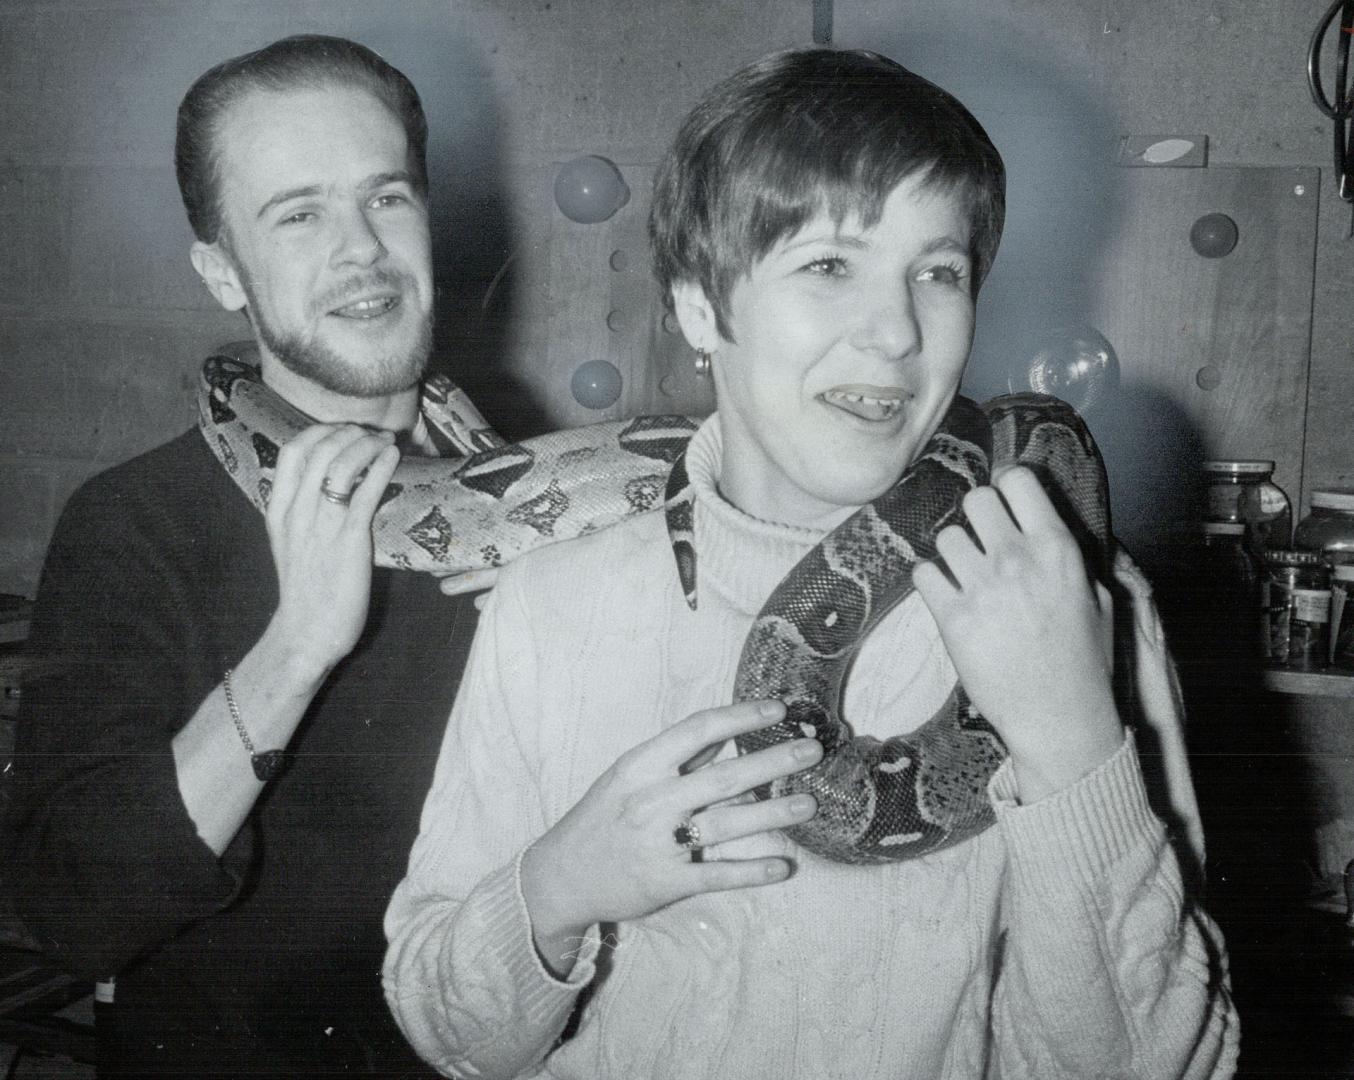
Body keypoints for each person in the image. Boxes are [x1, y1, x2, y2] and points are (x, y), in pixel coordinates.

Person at [383, 48, 1238, 1079]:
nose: (894, 334)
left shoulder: (1078, 605)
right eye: (829, 264)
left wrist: (1070, 740)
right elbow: (445, 1031)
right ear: (701, 306)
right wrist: (558, 887)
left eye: (938, 272)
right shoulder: (552, 603)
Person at [4, 35, 488, 1077]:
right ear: (222, 270)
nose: (360, 248)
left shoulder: (535, 512)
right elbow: (76, 916)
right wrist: (298, 648)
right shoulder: (132, 523)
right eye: (299, 214)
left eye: (387, 198)